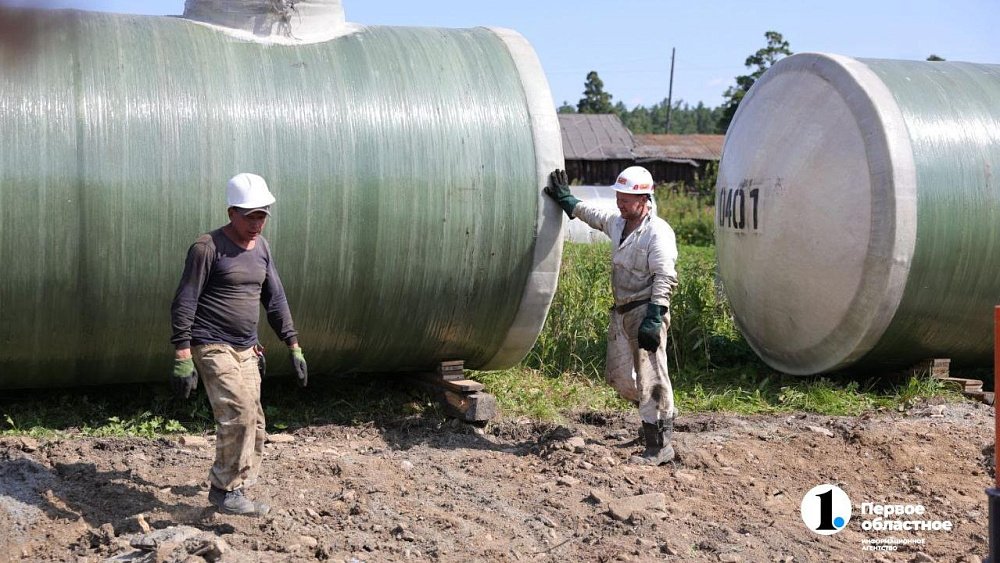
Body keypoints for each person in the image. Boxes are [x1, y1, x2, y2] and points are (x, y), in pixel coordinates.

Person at [170, 172, 308, 515]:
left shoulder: (261, 247)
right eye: (250, 216)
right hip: (211, 343)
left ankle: (238, 486)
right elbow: (185, 300)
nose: (256, 223)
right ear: (232, 212)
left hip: (247, 347)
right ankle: (224, 490)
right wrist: (182, 353)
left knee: (257, 422)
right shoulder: (208, 247)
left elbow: (274, 299)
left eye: (262, 215)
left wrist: (293, 344)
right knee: (239, 413)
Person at [545, 166, 679, 465]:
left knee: (652, 376)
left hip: (647, 310)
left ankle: (660, 444)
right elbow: (593, 215)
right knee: (619, 376)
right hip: (622, 312)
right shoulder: (619, 224)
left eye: (626, 198)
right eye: (618, 196)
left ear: (644, 198)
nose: (619, 202)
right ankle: (655, 416)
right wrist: (568, 201)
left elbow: (665, 276)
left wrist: (655, 317)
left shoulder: (658, 232)